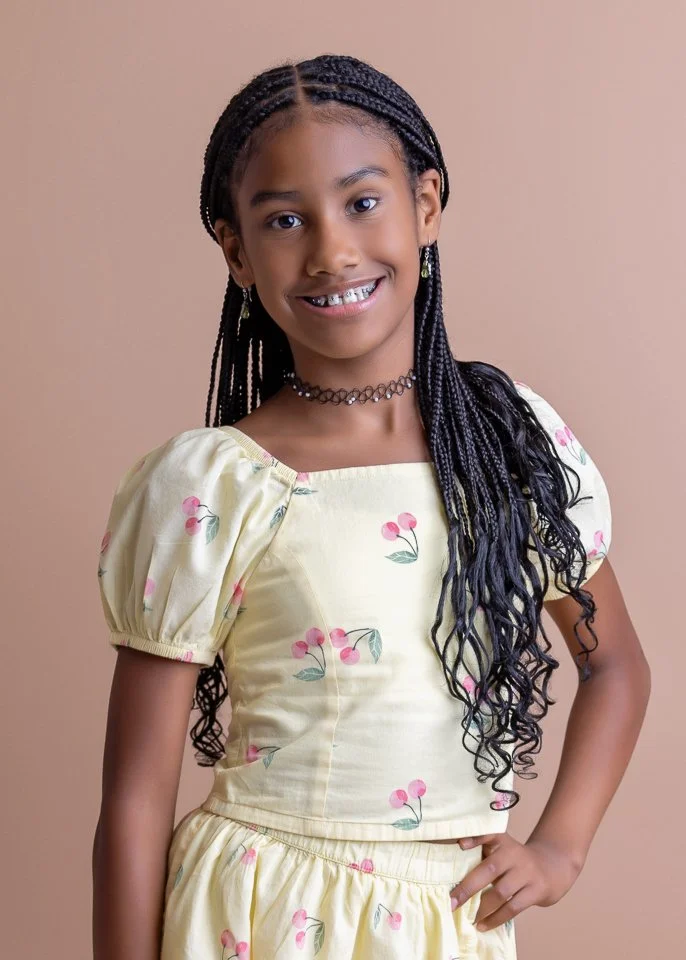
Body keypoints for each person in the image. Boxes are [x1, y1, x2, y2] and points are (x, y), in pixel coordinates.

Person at [91, 53, 651, 960]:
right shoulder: (214, 484)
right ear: (236, 251)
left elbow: (616, 664)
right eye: (283, 220)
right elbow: (133, 802)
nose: (332, 250)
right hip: (255, 910)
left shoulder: (510, 447)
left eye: (361, 202)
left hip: (442, 922)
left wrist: (560, 848)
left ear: (425, 205)